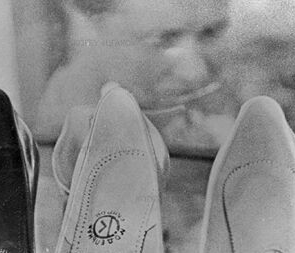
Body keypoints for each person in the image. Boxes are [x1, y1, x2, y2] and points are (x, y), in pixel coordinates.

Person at [35, 0, 240, 152]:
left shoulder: (232, 88)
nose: (197, 73)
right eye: (164, 40)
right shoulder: (69, 124)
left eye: (210, 33)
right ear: (93, 26)